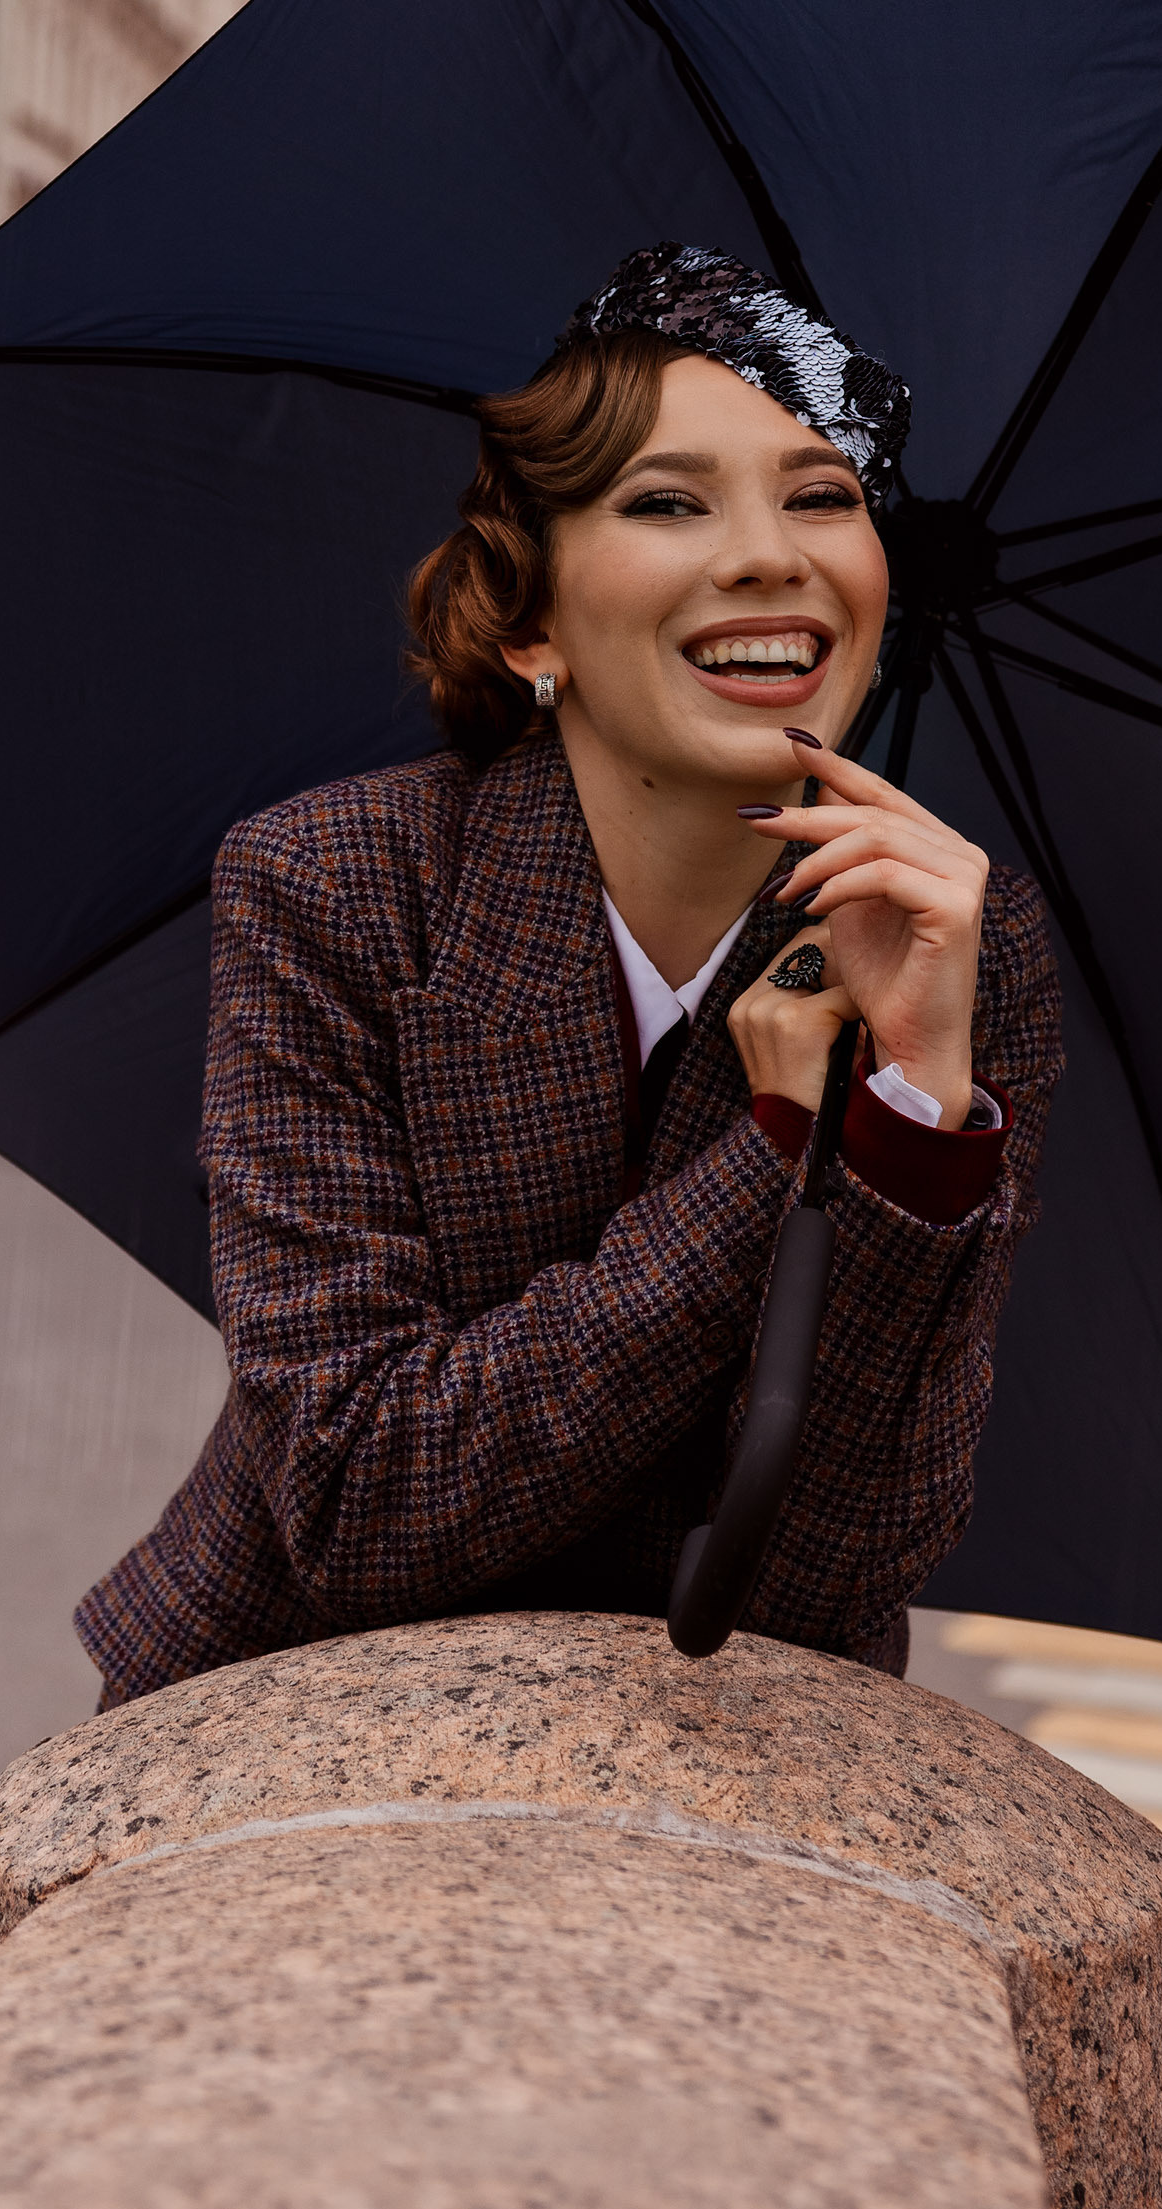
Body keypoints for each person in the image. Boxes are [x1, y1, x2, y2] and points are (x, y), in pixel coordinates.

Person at [78, 246, 1062, 1704]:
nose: (768, 558)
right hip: (297, 1704)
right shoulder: (338, 882)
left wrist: (906, 1119)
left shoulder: (956, 935)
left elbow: (830, 1573)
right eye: (668, 502)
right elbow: (365, 1502)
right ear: (531, 618)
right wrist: (779, 1152)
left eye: (823, 496)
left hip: (737, 1738)